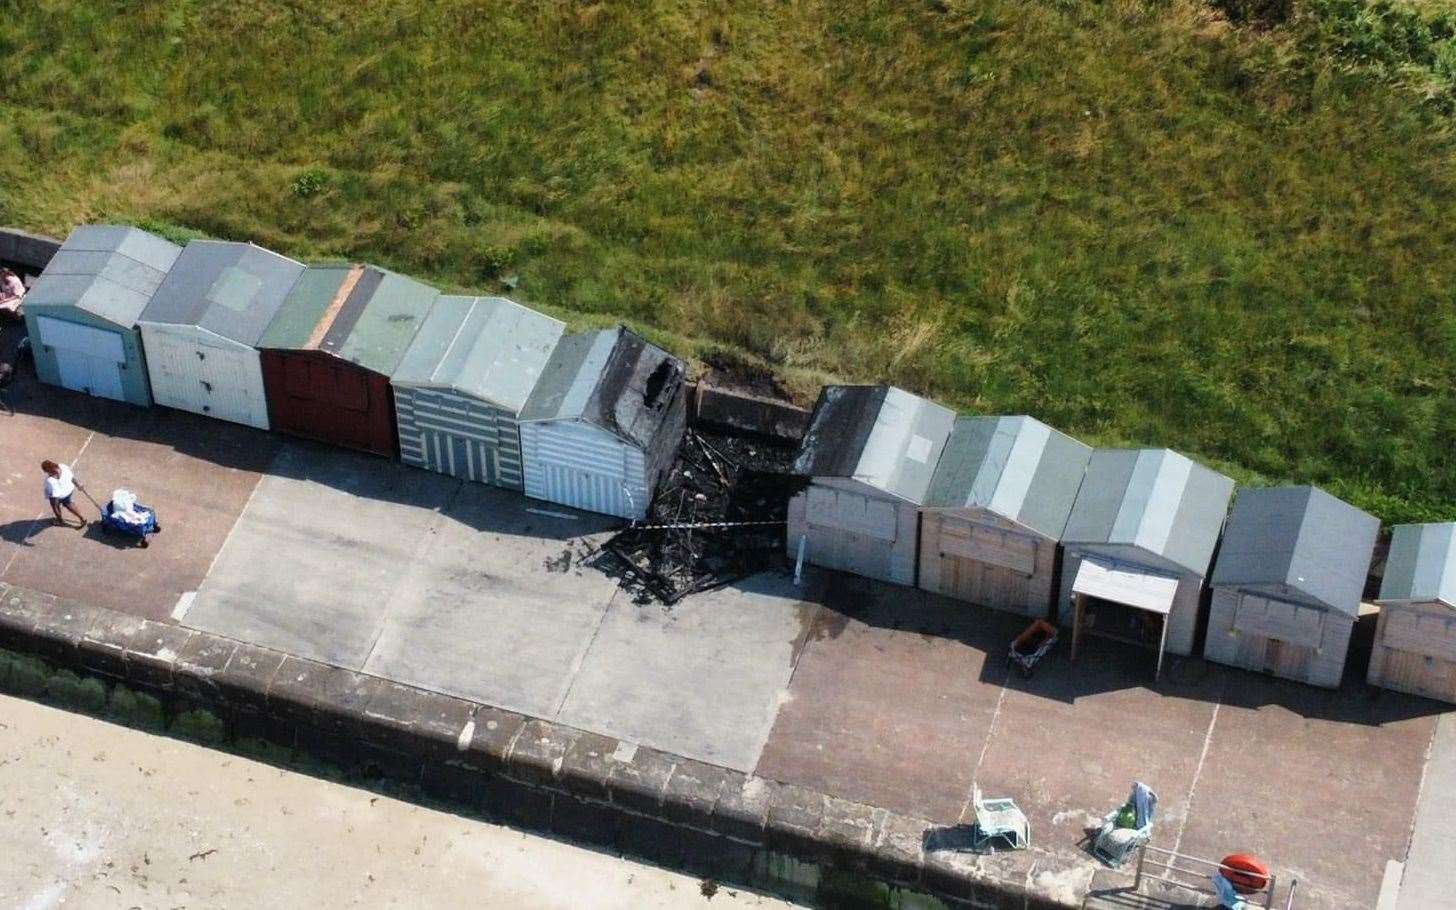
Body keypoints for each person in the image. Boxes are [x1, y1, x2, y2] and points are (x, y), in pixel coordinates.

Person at [41, 460, 87, 528]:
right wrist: (78, 485)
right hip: (68, 491)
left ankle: (60, 521)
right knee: (69, 504)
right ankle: (82, 518)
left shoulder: (50, 481)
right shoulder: (63, 466)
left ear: (48, 471)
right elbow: (72, 478)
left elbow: (55, 497)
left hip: (58, 496)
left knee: (56, 507)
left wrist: (55, 506)